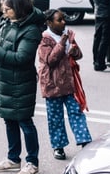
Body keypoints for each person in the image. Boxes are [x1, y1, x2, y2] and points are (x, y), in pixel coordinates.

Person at [0, 0, 45, 174]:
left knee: (25, 122)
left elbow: (22, 58)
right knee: (9, 119)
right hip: (6, 80)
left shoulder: (31, 30)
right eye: (4, 9)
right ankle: (13, 159)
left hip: (21, 82)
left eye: (8, 9)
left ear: (19, 9)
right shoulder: (9, 23)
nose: (4, 12)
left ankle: (32, 163)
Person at [39, 9, 92, 160]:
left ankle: (84, 141)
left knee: (76, 112)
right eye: (59, 20)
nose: (64, 22)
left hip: (69, 83)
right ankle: (58, 147)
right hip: (52, 84)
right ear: (49, 23)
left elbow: (79, 55)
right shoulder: (44, 39)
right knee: (55, 118)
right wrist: (62, 42)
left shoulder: (69, 35)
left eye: (64, 19)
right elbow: (50, 60)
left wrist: (74, 50)